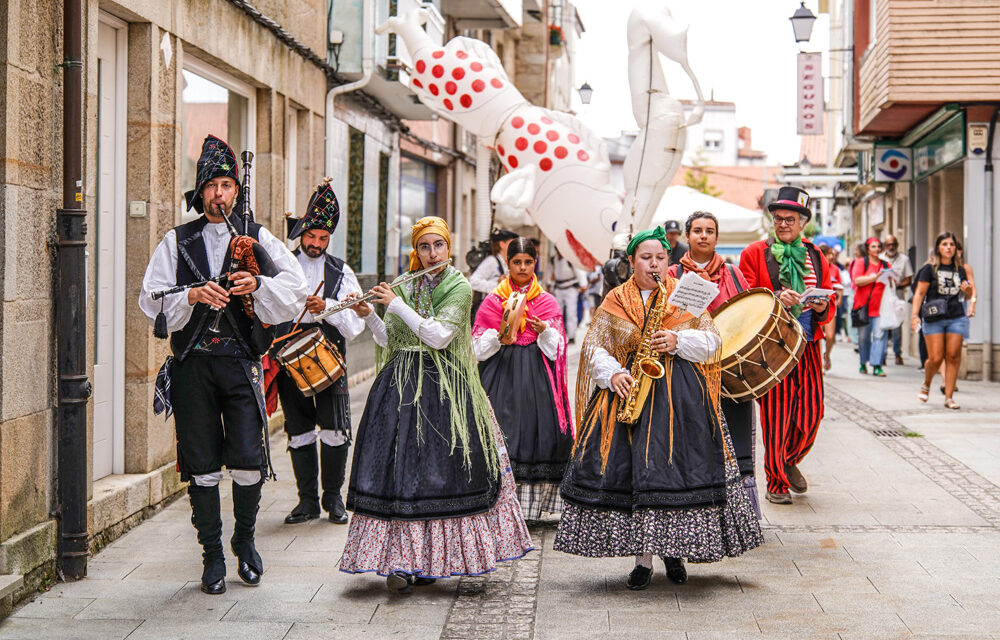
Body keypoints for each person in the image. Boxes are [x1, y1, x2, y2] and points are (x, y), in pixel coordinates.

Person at [139, 135, 308, 594]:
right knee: (201, 462)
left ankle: (246, 542)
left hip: (239, 363)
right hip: (193, 364)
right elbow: (149, 298)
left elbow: (293, 294)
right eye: (212, 185)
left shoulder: (258, 236)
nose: (219, 193)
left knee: (250, 460)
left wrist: (255, 282)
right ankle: (212, 556)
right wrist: (191, 295)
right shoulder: (177, 240)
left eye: (227, 184)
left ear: (237, 190)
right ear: (200, 192)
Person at [555, 227, 762, 590]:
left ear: (669, 261)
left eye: (660, 258)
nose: (654, 264)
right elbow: (593, 348)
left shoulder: (685, 295)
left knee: (676, 473)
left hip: (680, 398)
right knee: (637, 476)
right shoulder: (615, 299)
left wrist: (677, 339)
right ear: (631, 262)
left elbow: (713, 342)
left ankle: (674, 554)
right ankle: (642, 561)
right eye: (646, 258)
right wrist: (612, 373)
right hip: (627, 394)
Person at [340, 216, 533, 593]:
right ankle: (402, 560)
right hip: (399, 387)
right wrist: (372, 315)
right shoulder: (405, 284)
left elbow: (440, 337)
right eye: (424, 247)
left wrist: (395, 305)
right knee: (401, 474)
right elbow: (389, 340)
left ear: (449, 247)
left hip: (444, 390)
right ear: (417, 249)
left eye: (438, 246)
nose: (432, 254)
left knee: (439, 475)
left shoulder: (459, 286)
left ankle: (433, 560)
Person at [273, 180, 366, 526]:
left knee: (335, 429)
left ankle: (334, 498)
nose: (315, 244)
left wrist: (325, 306)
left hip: (329, 360)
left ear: (330, 238)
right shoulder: (281, 264)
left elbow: (355, 323)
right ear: (302, 233)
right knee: (298, 429)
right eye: (311, 237)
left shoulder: (341, 271)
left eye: (322, 239)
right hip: (289, 359)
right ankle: (307, 501)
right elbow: (268, 304)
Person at [739, 186, 834, 505]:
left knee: (813, 412)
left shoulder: (816, 254)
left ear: (803, 222)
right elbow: (746, 295)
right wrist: (775, 296)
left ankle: (789, 460)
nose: (783, 224)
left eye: (790, 219)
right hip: (773, 347)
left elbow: (829, 293)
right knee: (777, 416)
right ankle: (777, 481)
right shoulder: (755, 252)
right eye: (778, 218)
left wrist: (822, 306)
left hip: (807, 343)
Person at [473, 238, 574, 523]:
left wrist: (543, 330)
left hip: (537, 379)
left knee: (535, 431)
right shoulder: (493, 301)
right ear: (508, 263)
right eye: (516, 262)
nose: (522, 267)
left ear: (535, 264)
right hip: (500, 374)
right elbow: (477, 347)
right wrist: (501, 332)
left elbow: (558, 349)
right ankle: (498, 503)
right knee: (503, 431)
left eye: (528, 262)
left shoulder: (546, 301)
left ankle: (529, 507)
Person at [667, 210, 760, 517]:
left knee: (735, 437)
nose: (703, 235)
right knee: (695, 438)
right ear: (687, 236)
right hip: (689, 369)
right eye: (697, 230)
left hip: (732, 370)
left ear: (717, 238)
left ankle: (740, 515)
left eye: (709, 231)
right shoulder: (671, 275)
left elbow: (748, 315)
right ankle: (699, 511)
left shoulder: (733, 274)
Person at [911, 232, 975, 410]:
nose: (949, 248)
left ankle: (949, 397)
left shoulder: (960, 269)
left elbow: (966, 296)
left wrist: (968, 290)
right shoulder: (929, 269)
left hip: (956, 316)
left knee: (953, 356)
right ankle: (927, 382)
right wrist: (914, 315)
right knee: (936, 358)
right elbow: (919, 293)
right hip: (934, 317)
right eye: (945, 244)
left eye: (952, 245)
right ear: (938, 247)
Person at [851, 237, 890, 376]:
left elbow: (890, 282)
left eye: (879, 246)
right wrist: (874, 277)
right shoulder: (861, 263)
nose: (877, 249)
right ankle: (863, 362)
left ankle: (877, 365)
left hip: (880, 308)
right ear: (867, 249)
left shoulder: (885, 265)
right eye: (873, 246)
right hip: (863, 306)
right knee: (863, 338)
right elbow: (857, 280)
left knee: (879, 337)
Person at [880, 235, 913, 365]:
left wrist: (896, 284)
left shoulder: (904, 259)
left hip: (897, 294)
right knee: (883, 324)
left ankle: (897, 353)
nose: (891, 247)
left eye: (893, 244)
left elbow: (909, 279)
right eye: (888, 245)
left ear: (897, 245)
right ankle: (882, 354)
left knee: (897, 325)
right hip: (883, 295)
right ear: (885, 246)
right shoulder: (880, 258)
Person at [469, 228, 518, 315]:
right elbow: (473, 281)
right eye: (511, 243)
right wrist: (496, 285)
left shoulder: (506, 262)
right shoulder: (491, 261)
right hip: (489, 310)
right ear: (502, 244)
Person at [548, 248, 588, 343]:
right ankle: (557, 335)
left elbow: (579, 272)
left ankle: (571, 336)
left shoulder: (570, 259)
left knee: (571, 313)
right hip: (558, 288)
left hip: (571, 288)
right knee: (557, 313)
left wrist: (583, 285)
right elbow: (549, 272)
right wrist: (548, 283)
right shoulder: (553, 260)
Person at [819, 244, 844, 371]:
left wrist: (840, 298)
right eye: (829, 254)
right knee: (817, 336)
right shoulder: (815, 267)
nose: (832, 256)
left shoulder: (835, 269)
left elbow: (839, 286)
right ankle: (818, 364)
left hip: (830, 304)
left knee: (830, 336)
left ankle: (827, 355)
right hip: (816, 305)